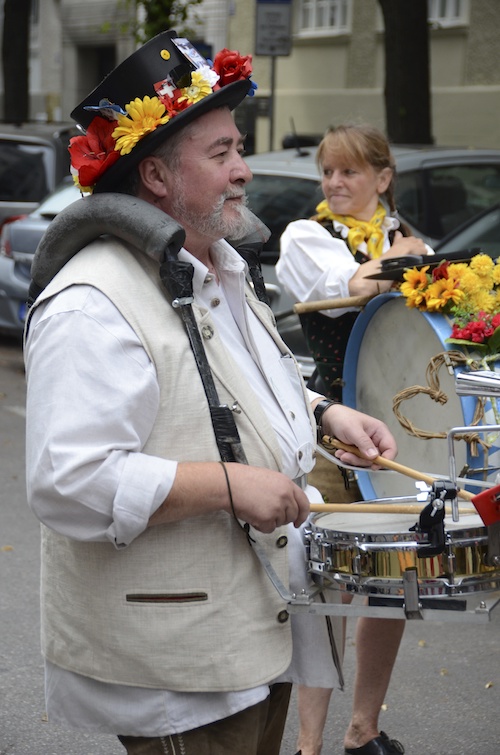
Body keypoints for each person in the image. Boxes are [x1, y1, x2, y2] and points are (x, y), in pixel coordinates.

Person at [24, 35, 397, 755]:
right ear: (157, 174)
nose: (244, 170)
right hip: (175, 669)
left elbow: (254, 384)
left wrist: (324, 413)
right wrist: (229, 484)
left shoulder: (217, 263)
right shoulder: (92, 300)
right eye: (221, 153)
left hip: (254, 633)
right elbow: (66, 479)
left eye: (238, 149)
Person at [277, 124, 434, 755]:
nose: (334, 184)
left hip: (398, 435)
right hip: (330, 429)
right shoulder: (304, 236)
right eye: (327, 172)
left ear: (383, 178)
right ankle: (308, 746)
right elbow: (349, 291)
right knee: (322, 589)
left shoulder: (403, 236)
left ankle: (361, 729)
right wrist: (407, 264)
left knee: (391, 584)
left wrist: (401, 263)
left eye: (348, 173)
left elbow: (437, 303)